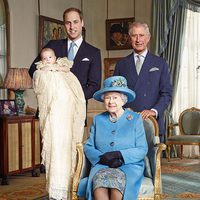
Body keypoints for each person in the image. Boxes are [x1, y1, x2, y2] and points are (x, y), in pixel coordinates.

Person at [77, 76, 148, 200]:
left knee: (116, 185)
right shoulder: (98, 119)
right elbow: (88, 146)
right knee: (99, 185)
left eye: (115, 97)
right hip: (102, 164)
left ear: (123, 100)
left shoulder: (135, 119)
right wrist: (102, 158)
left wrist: (119, 154)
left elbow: (142, 149)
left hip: (128, 166)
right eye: (107, 98)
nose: (111, 102)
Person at [33, 47, 86, 200]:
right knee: (56, 150)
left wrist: (60, 69)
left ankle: (70, 187)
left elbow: (74, 86)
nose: (48, 60)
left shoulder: (64, 69)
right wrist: (48, 70)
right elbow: (42, 91)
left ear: (55, 57)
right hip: (54, 119)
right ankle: (57, 190)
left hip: (68, 117)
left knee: (68, 148)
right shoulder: (41, 72)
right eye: (44, 58)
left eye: (50, 57)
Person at [113, 22, 172, 141]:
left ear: (148, 38)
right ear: (130, 39)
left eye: (141, 35)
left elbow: (166, 93)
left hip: (152, 123)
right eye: (134, 36)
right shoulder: (121, 64)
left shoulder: (160, 63)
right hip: (127, 122)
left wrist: (154, 111)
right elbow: (115, 94)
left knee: (152, 159)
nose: (138, 39)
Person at [29, 7, 102, 101]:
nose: (72, 27)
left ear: (82, 23)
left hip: (77, 106)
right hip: (51, 103)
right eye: (68, 23)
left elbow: (95, 85)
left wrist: (74, 97)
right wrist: (49, 90)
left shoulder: (93, 52)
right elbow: (33, 70)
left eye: (75, 22)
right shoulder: (52, 45)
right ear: (64, 24)